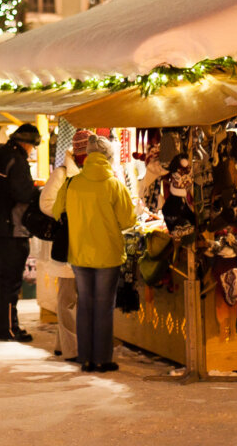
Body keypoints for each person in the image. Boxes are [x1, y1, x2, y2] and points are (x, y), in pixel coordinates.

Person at [53, 132, 136, 373]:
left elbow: (58, 210)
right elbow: (128, 220)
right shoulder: (114, 186)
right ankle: (102, 359)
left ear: (87, 157)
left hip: (79, 254)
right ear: (109, 157)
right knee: (103, 307)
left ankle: (86, 358)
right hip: (108, 255)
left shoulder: (72, 183)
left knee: (85, 305)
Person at [0, 122, 40, 342]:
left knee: (0, 278)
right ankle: (7, 328)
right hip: (11, 227)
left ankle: (1, 323)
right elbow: (22, 193)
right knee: (10, 281)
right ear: (26, 143)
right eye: (33, 146)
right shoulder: (16, 160)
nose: (32, 150)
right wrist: (37, 191)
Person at [38, 129, 90, 361]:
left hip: (88, 242)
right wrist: (70, 213)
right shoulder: (62, 174)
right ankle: (72, 349)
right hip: (68, 240)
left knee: (81, 297)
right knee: (68, 299)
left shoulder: (97, 172)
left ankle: (64, 343)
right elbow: (46, 202)